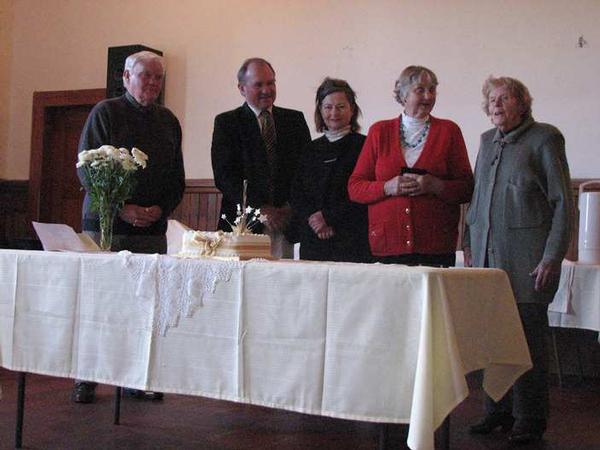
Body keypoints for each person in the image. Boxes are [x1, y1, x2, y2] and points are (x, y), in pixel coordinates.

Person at [465, 76, 572, 444]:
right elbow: (477, 198)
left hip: (528, 263)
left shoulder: (544, 138)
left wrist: (552, 257)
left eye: (505, 97)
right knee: (491, 340)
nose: (496, 104)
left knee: (527, 343)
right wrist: (467, 243)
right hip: (486, 262)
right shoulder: (485, 141)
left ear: (523, 103)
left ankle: (530, 419)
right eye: (491, 99)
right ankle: (496, 412)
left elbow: (562, 203)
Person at [74, 50, 185, 403]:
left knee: (144, 305)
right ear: (125, 77)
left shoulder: (169, 121)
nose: (152, 82)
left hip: (150, 229)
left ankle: (136, 377)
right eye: (145, 75)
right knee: (100, 301)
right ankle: (86, 377)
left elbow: (177, 179)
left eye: (158, 77)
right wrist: (123, 209)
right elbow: (86, 169)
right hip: (107, 225)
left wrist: (159, 209)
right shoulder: (105, 112)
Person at [348, 66, 473, 267]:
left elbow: (467, 188)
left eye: (432, 90)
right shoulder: (379, 131)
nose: (428, 96)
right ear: (404, 95)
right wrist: (387, 187)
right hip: (388, 244)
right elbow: (355, 188)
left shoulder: (449, 131)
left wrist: (435, 185)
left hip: (436, 246)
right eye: (420, 90)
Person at [211, 58, 311, 258]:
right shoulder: (227, 123)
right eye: (259, 84)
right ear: (242, 88)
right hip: (244, 227)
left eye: (271, 82)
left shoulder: (294, 120)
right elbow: (225, 176)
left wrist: (288, 209)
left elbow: (306, 170)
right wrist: (260, 210)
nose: (267, 89)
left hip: (286, 227)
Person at [290, 78, 370, 262]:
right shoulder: (310, 149)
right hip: (313, 240)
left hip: (351, 240)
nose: (334, 113)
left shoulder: (365, 146)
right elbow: (297, 193)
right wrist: (315, 220)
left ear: (352, 110)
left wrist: (329, 218)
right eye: (328, 107)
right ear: (320, 110)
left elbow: (365, 193)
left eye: (341, 107)